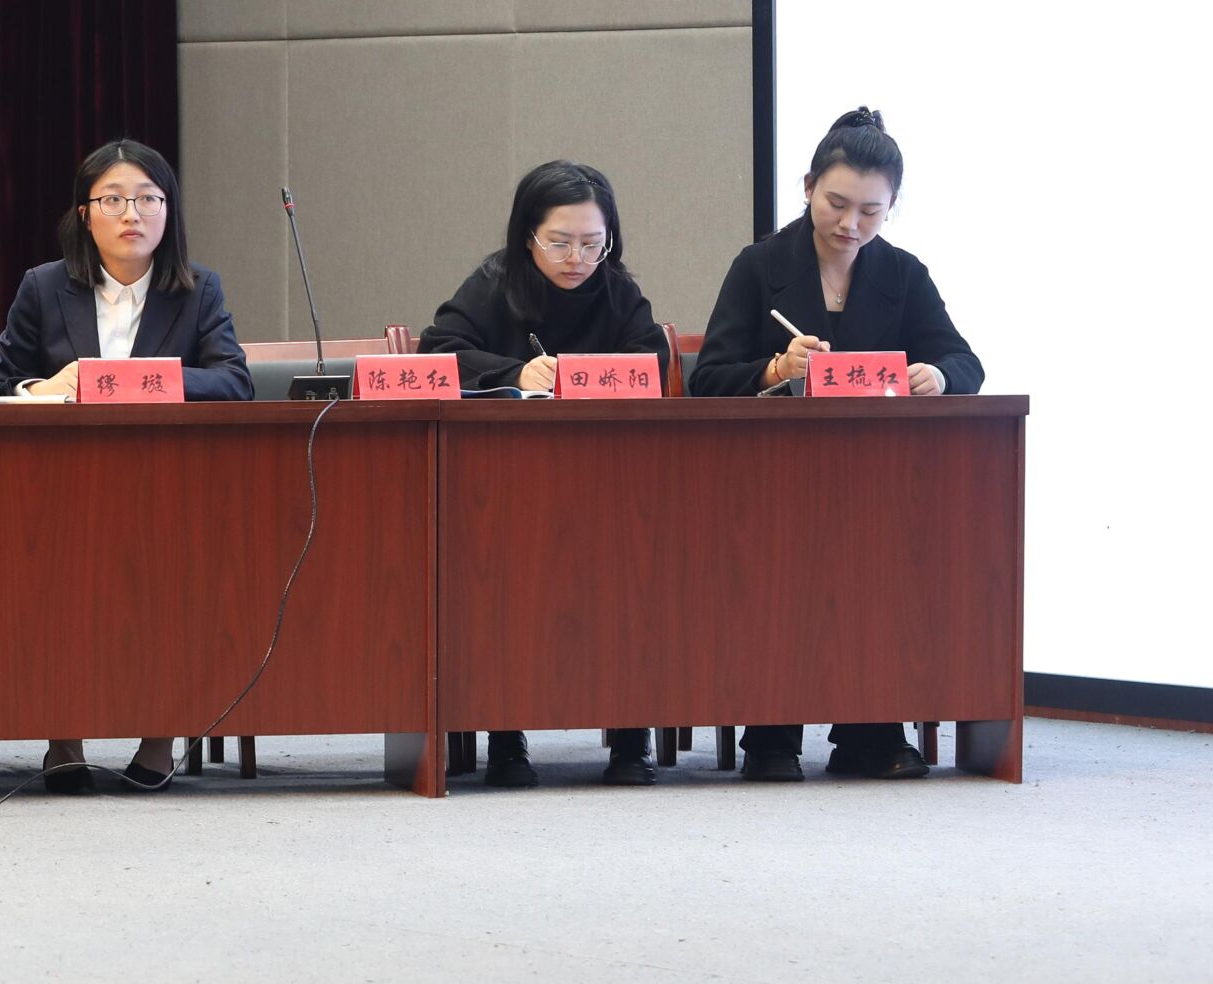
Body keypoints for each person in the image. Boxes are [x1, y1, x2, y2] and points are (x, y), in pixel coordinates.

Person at [692, 106, 983, 783]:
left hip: (872, 480)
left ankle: (870, 730)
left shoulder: (903, 274)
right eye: (837, 203)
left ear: (891, 208)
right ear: (807, 187)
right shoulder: (760, 265)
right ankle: (771, 733)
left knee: (885, 558)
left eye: (871, 211)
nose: (851, 223)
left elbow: (964, 360)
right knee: (776, 566)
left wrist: (937, 376)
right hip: (769, 481)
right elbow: (707, 378)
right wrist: (775, 369)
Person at [0, 139, 249, 795]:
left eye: (148, 199)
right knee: (54, 588)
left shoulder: (198, 289)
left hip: (167, 486)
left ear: (169, 211)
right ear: (85, 213)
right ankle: (64, 741)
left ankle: (158, 741)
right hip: (61, 488)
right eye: (113, 199)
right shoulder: (44, 286)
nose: (132, 213)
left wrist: (144, 380)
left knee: (173, 583)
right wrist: (45, 386)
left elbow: (233, 381)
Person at [419, 160, 672, 788]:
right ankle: (505, 737)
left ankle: (631, 736)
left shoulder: (617, 291)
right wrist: (513, 372)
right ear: (527, 234)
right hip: (508, 482)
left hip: (607, 480)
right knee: (501, 576)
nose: (577, 259)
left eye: (593, 243)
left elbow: (651, 359)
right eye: (559, 242)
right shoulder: (494, 282)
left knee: (634, 573)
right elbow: (438, 351)